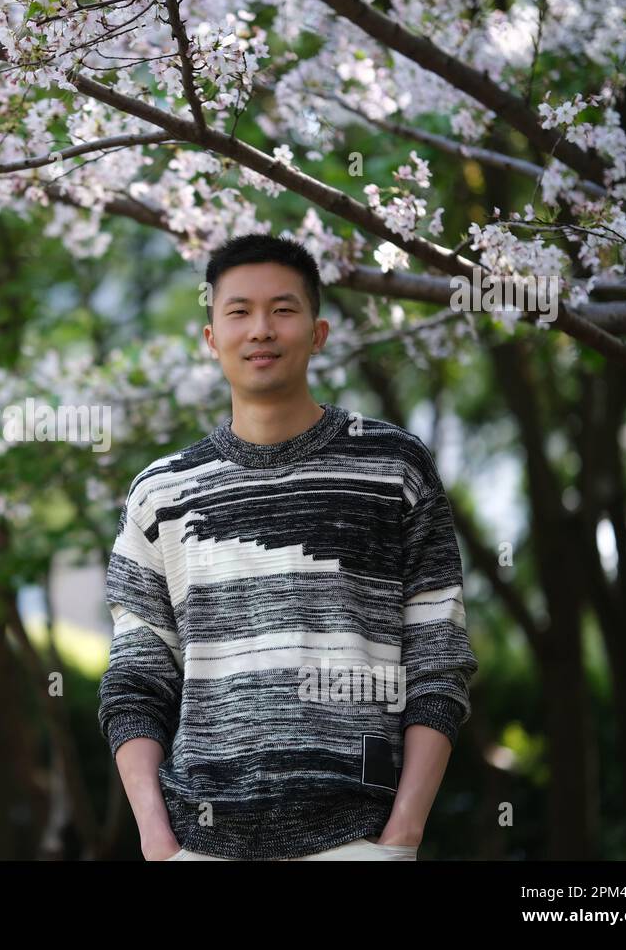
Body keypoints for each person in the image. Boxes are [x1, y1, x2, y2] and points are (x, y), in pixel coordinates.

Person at [97, 233, 478, 861]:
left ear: (319, 332)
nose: (261, 330)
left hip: (357, 836)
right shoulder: (160, 493)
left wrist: (401, 835)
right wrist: (157, 843)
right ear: (211, 337)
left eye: (283, 309)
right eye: (238, 312)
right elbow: (136, 680)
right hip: (200, 842)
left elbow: (439, 659)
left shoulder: (393, 469)